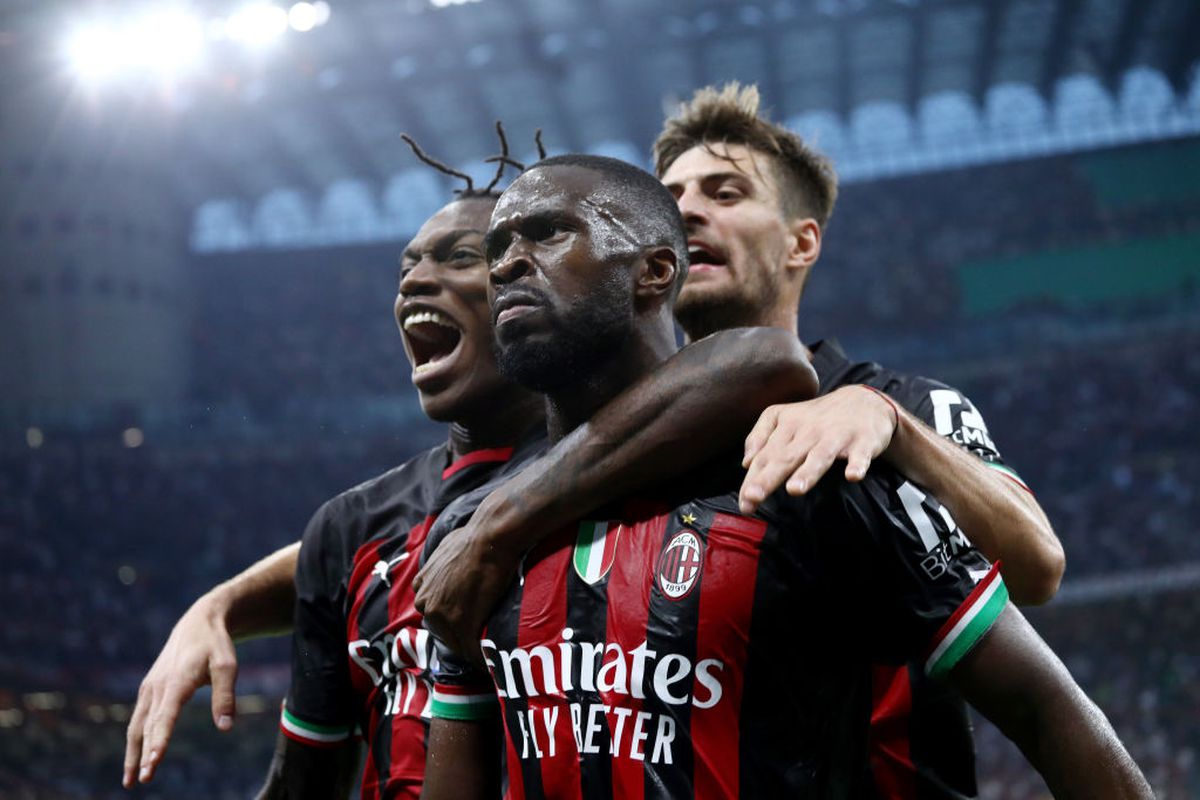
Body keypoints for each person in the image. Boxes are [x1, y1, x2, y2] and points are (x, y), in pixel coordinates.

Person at [419, 153, 1149, 799]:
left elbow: (1048, 707)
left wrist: (885, 420)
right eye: (496, 248)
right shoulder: (474, 538)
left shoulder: (820, 462)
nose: (507, 263)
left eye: (545, 233)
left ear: (655, 270)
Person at [123, 139, 819, 792]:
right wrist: (218, 604)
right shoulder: (352, 526)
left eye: (463, 259)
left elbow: (756, 362)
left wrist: (500, 525)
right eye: (407, 268)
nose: (417, 283)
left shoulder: (638, 462)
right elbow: (305, 781)